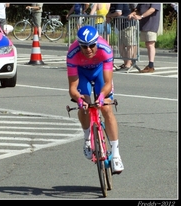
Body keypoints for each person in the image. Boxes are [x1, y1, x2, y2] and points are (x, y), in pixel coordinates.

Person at [66, 25, 124, 173]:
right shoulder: (72, 54)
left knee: (106, 107)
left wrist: (102, 96)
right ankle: (87, 138)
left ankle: (116, 154)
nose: (88, 49)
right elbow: (72, 88)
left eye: (92, 45)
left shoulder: (105, 50)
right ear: (79, 45)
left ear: (97, 42)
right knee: (84, 104)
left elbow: (107, 83)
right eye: (84, 47)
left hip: (99, 71)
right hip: (82, 73)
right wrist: (79, 99)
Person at [128, 4, 161, 73]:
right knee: (147, 44)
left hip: (151, 25)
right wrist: (133, 14)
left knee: (150, 44)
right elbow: (137, 10)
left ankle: (151, 65)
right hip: (144, 25)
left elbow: (152, 9)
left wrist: (141, 16)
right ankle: (150, 65)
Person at [106, 4, 137, 70]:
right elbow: (111, 12)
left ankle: (128, 64)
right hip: (121, 27)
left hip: (127, 25)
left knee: (130, 45)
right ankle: (126, 63)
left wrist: (109, 16)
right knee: (120, 46)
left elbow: (118, 13)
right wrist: (108, 16)